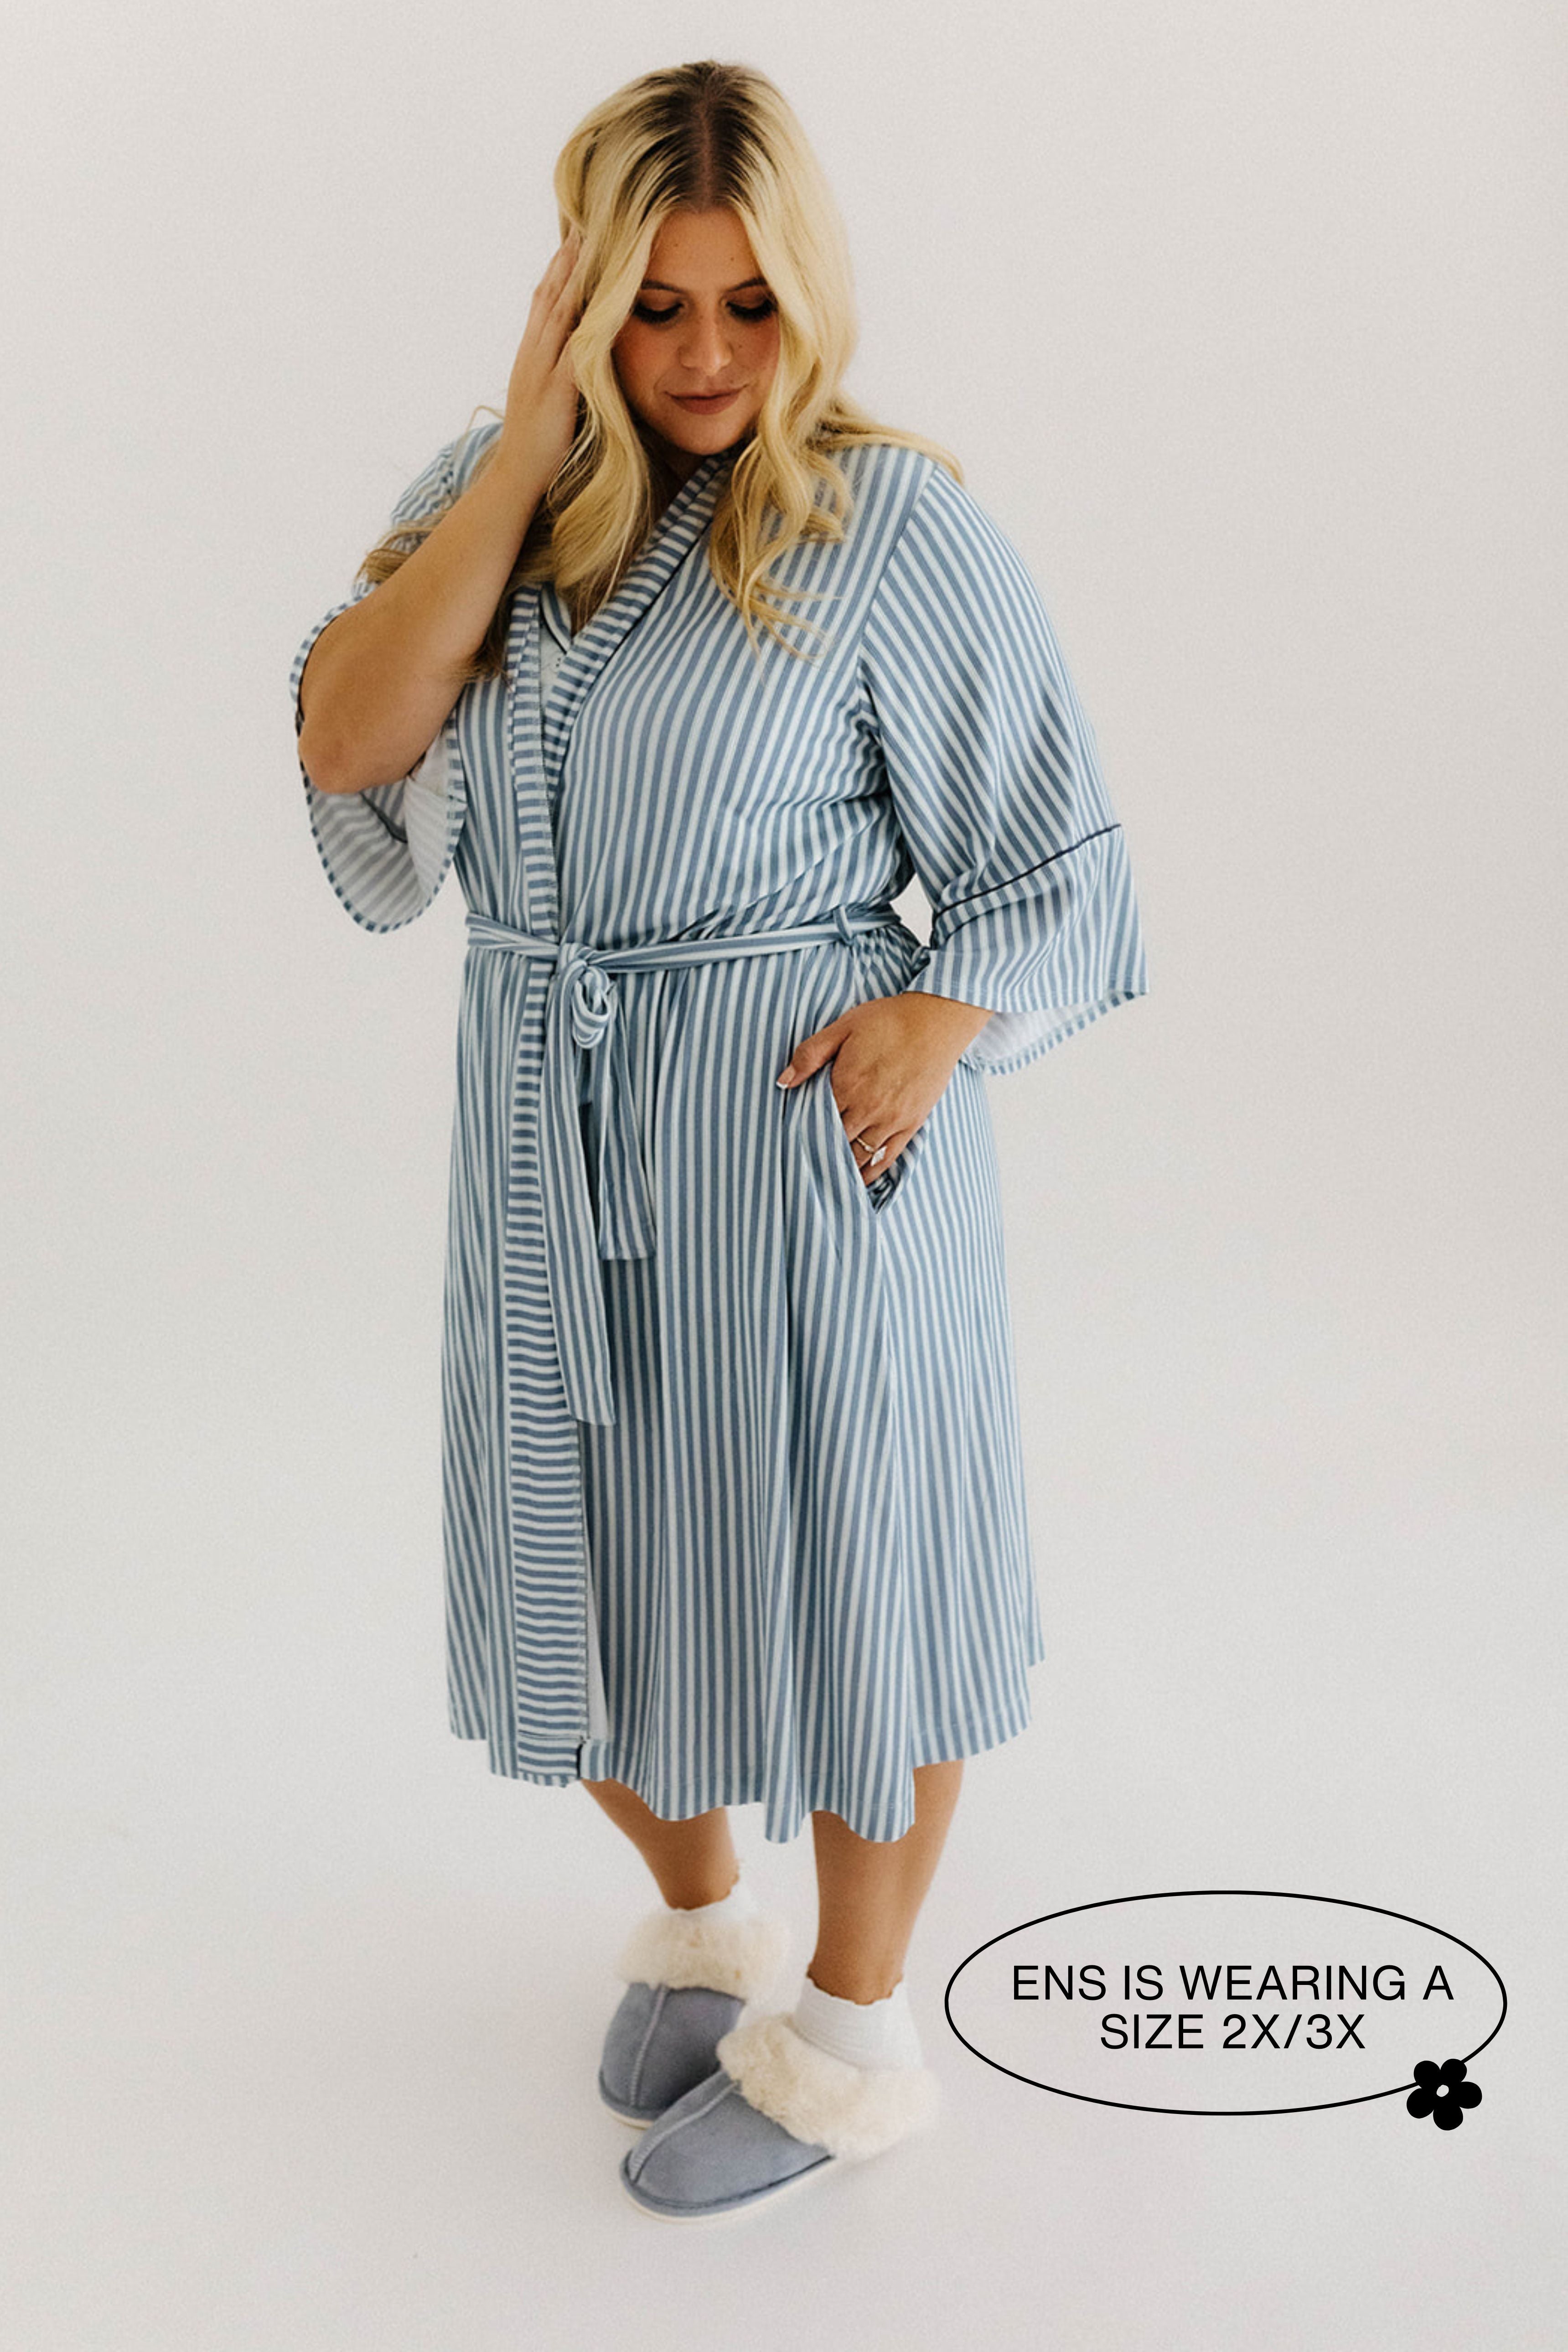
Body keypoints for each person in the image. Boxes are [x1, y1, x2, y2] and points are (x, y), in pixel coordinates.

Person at [290, 59, 1148, 2222]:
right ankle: (702, 1928)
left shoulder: (890, 528)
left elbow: (1063, 865)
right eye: (648, 306)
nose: (696, 357)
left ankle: (854, 2039)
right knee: (579, 1569)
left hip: (800, 1153)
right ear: (572, 301)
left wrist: (940, 1015)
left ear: (809, 301)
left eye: (745, 306)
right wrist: (518, 450)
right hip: (550, 1139)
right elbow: (350, 740)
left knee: (857, 1586)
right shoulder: (489, 496)